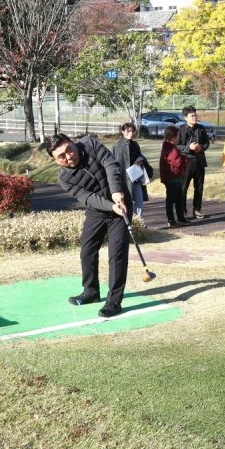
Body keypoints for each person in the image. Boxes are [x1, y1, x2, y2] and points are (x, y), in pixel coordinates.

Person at [46, 133, 131, 318]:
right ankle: (91, 292)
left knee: (116, 255)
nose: (69, 156)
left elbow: (110, 164)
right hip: (97, 210)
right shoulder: (64, 178)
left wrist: (116, 192)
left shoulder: (89, 144)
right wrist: (110, 206)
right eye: (61, 156)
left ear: (73, 143)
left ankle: (114, 301)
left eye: (69, 149)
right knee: (87, 250)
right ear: (55, 161)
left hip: (121, 203)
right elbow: (88, 197)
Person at [111, 122, 152, 222]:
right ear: (123, 131)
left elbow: (140, 156)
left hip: (136, 177)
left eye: (132, 130)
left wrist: (140, 160)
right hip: (125, 179)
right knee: (127, 202)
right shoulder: (117, 146)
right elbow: (114, 164)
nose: (131, 132)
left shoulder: (135, 144)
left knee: (139, 200)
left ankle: (139, 221)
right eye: (128, 130)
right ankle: (130, 222)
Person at [177, 105, 210, 219]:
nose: (195, 117)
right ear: (185, 117)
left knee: (199, 187)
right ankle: (182, 210)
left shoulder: (201, 128)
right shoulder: (180, 129)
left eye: (195, 115)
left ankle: (197, 209)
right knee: (183, 188)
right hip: (186, 163)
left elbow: (207, 143)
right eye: (192, 116)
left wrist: (201, 148)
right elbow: (176, 146)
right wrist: (188, 148)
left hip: (199, 162)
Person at [159, 125, 189, 227]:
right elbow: (177, 162)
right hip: (172, 177)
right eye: (178, 135)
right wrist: (185, 159)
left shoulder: (168, 146)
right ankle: (171, 220)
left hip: (173, 177)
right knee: (171, 199)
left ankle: (180, 218)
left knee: (178, 199)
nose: (179, 137)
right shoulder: (171, 148)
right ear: (174, 137)